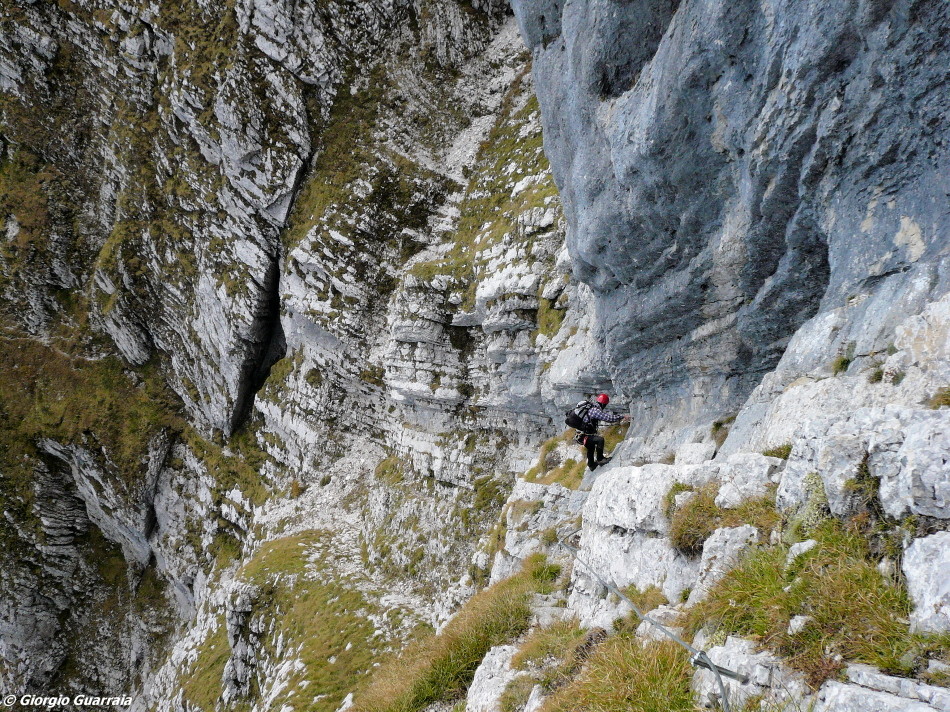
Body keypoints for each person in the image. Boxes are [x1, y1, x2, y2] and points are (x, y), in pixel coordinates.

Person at [571, 393, 630, 471]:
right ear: (603, 404)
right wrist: (622, 417)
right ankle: (600, 459)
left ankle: (591, 465)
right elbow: (608, 418)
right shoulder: (595, 411)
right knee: (600, 440)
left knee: (591, 447)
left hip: (580, 435)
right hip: (584, 435)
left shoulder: (591, 408)